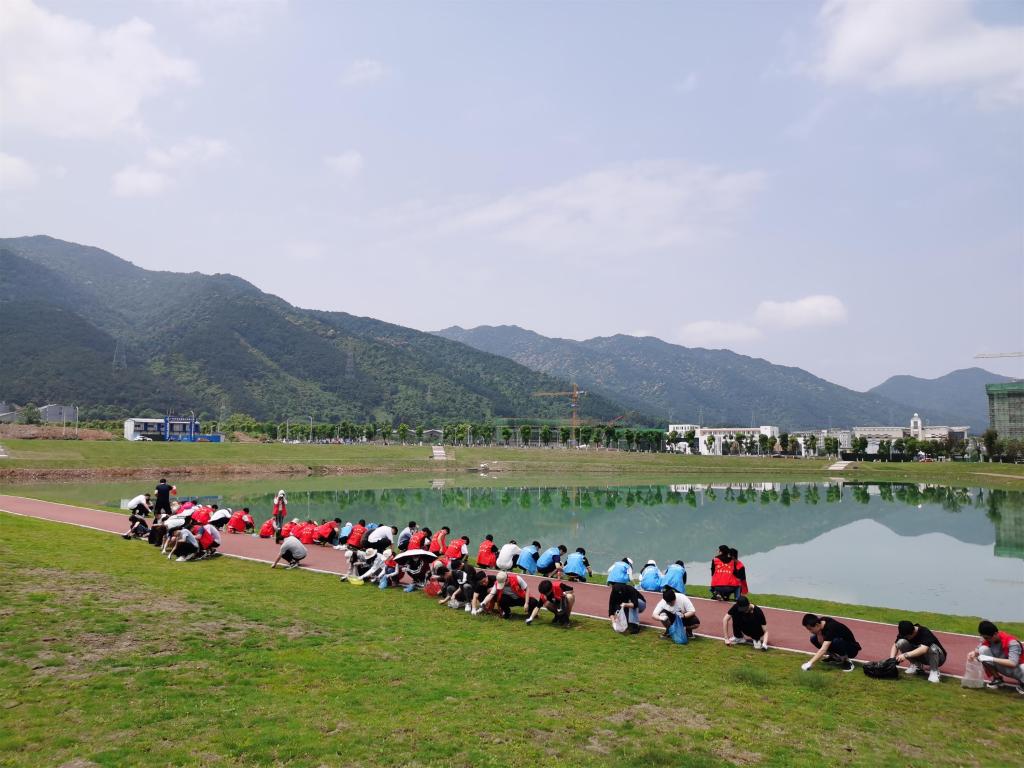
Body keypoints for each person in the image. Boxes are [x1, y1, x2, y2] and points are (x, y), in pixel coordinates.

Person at [967, 620, 1024, 694]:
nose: (986, 640)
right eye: (984, 638)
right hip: (1003, 666)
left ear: (995, 634)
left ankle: (1022, 684)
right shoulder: (988, 639)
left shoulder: (1012, 643)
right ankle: (997, 679)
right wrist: (973, 654)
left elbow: (1013, 663)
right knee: (982, 649)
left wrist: (991, 659)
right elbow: (978, 649)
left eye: (987, 638)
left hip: (1017, 669)